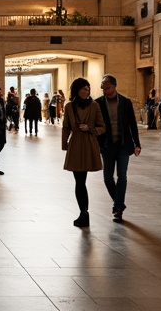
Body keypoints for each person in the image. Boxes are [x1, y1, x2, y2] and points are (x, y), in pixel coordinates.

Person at [61, 77, 106, 228]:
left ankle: (84, 213)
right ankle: (83, 212)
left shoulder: (94, 105)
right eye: (84, 89)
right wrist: (64, 144)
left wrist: (91, 129)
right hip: (75, 144)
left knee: (82, 180)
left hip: (88, 143)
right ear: (77, 90)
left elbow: (102, 126)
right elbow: (66, 126)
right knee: (79, 181)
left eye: (89, 89)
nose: (87, 92)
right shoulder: (69, 107)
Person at [95, 75, 140, 222]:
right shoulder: (98, 103)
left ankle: (118, 208)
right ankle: (118, 203)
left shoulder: (125, 102)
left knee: (122, 175)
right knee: (108, 177)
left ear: (114, 86)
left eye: (107, 87)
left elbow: (132, 124)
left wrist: (137, 143)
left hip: (123, 145)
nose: (104, 90)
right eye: (102, 87)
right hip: (107, 146)